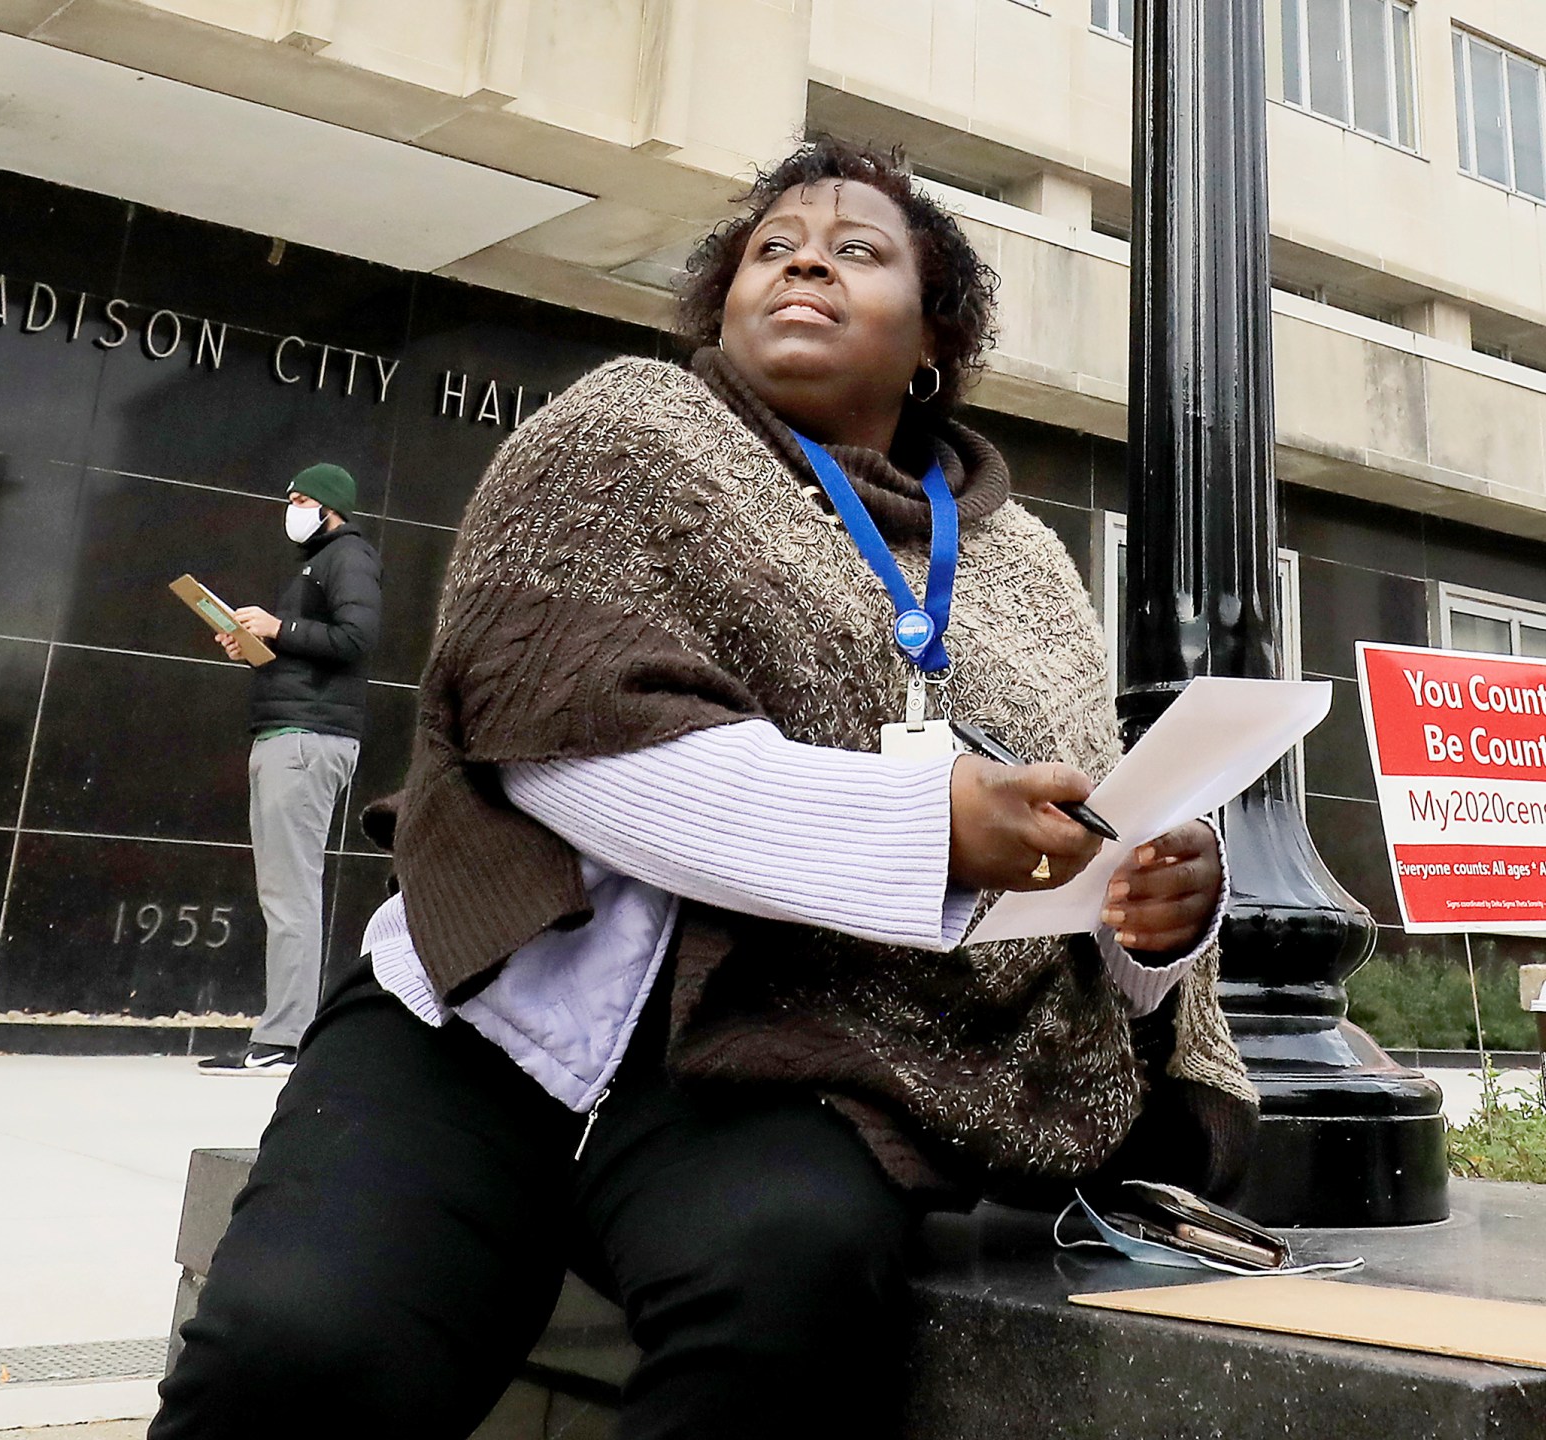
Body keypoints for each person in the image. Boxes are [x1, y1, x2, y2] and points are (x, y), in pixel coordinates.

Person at [152, 136, 1251, 1438]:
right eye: (772, 247)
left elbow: (1067, 882)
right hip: (487, 1015)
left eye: (857, 251)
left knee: (787, 1291)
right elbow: (556, 744)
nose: (805, 265)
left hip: (800, 1056)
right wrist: (928, 829)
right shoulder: (624, 436)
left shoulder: (1029, 572)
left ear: (932, 339)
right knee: (298, 1351)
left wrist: (1153, 921)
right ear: (721, 300)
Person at [200, 463, 379, 1076]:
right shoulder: (318, 562)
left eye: (302, 499)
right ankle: (282, 1032)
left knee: (290, 893)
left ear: (330, 507)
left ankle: (284, 1038)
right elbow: (317, 648)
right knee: (284, 890)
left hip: (306, 740)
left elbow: (357, 637)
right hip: (291, 733)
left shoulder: (348, 556)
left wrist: (280, 627)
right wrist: (259, 647)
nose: (292, 508)